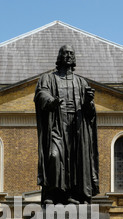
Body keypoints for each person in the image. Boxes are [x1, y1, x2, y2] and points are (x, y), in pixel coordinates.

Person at [34, 44, 99, 205]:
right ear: (59, 56)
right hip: (57, 124)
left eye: (71, 53)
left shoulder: (81, 82)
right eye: (65, 53)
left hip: (76, 127)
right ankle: (51, 194)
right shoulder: (48, 78)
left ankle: (73, 195)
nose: (68, 56)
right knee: (53, 156)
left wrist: (89, 101)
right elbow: (41, 93)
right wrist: (51, 101)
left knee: (76, 160)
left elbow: (90, 113)